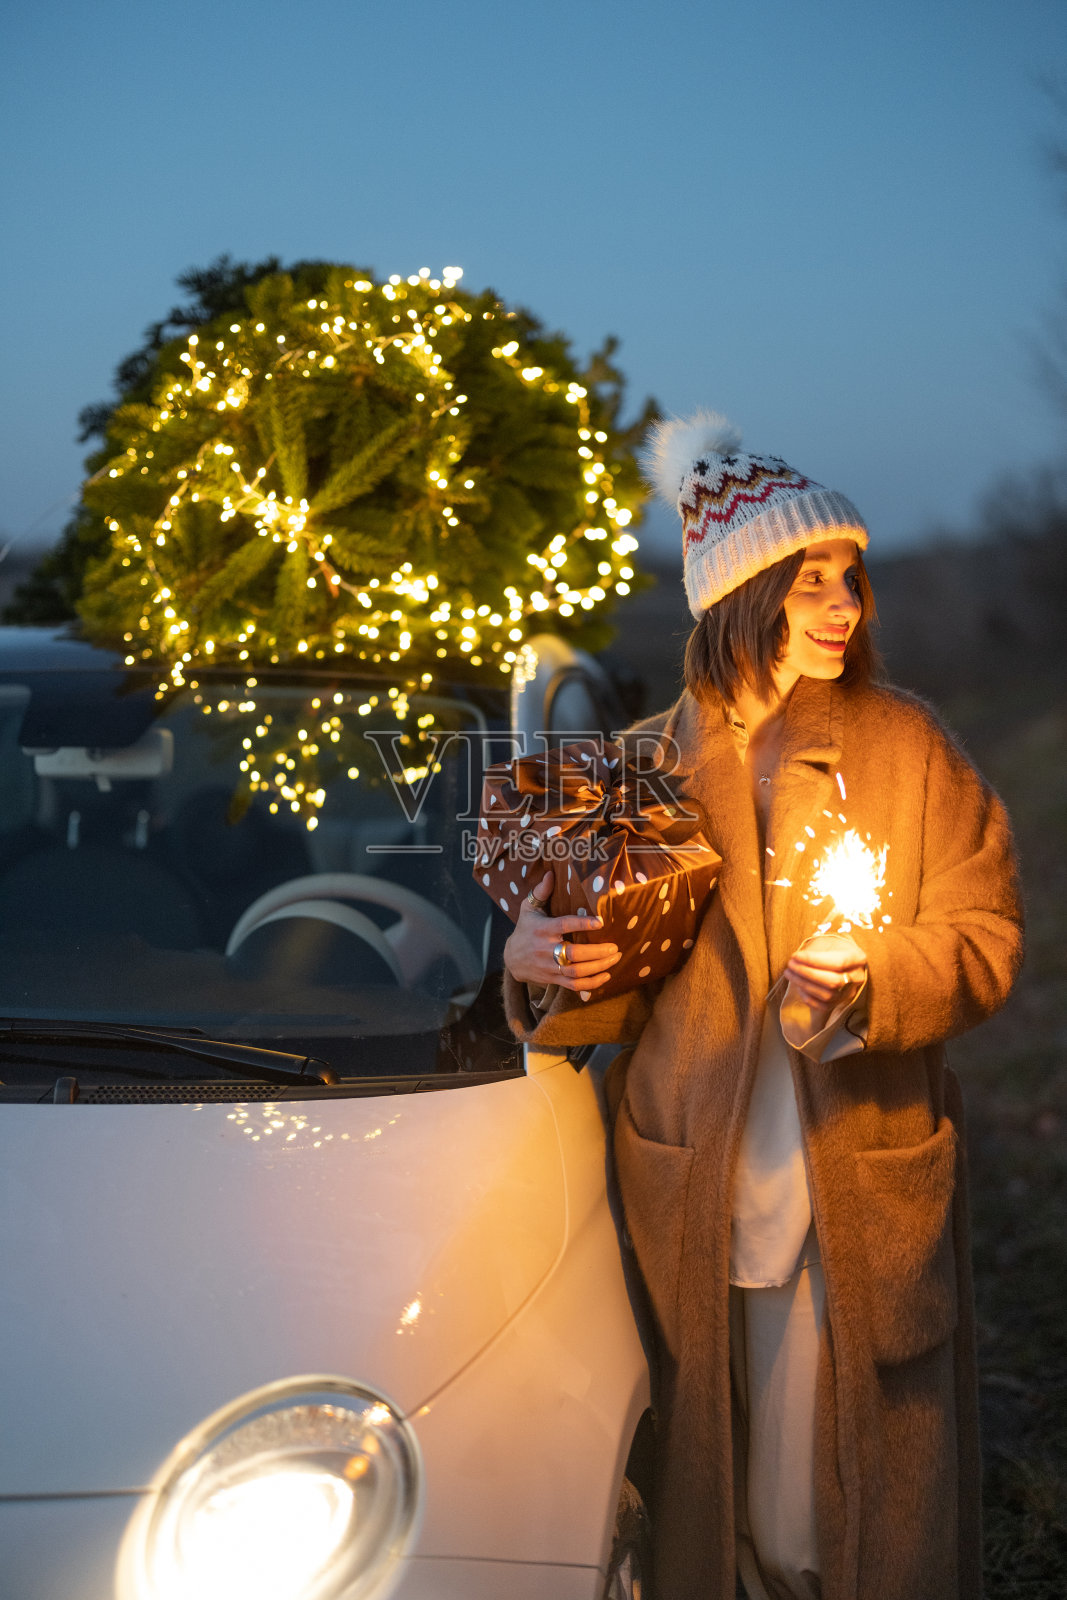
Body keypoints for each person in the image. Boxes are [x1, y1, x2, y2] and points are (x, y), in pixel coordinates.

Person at [500, 413, 1023, 1600]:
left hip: (859, 1169)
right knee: (712, 1492)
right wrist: (535, 960)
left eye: (850, 579)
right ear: (740, 598)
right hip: (693, 1177)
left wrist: (876, 982)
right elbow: (583, 984)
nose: (844, 605)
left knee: (839, 1513)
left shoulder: (909, 750)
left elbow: (985, 940)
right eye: (810, 583)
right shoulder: (636, 766)